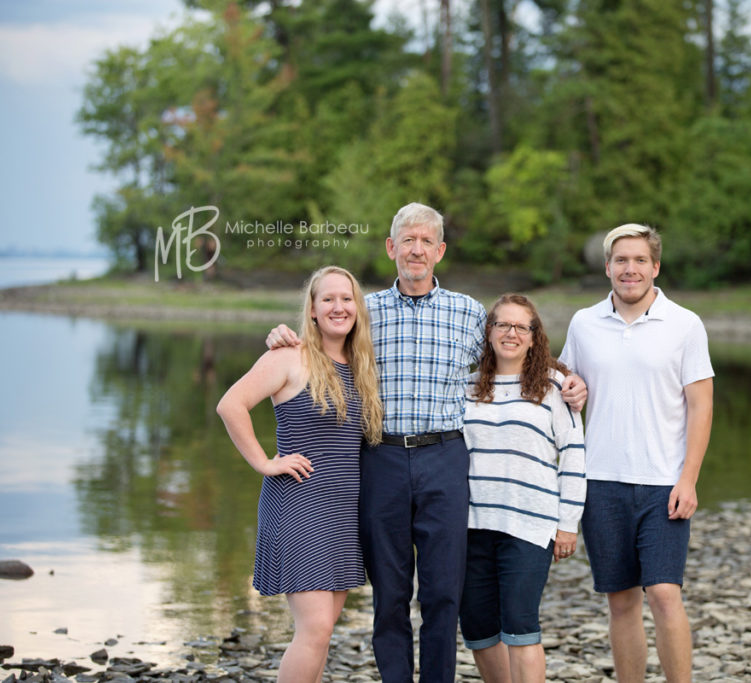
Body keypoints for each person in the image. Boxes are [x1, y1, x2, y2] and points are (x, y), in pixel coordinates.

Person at [266, 203, 587, 682]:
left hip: (444, 459)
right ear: (392, 248)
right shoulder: (363, 311)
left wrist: (566, 376)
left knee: (442, 593)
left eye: (426, 242)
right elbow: (319, 343)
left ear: (439, 251)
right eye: (407, 241)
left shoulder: (468, 313)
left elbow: (514, 349)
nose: (417, 250)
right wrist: (280, 337)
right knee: (389, 593)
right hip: (381, 459)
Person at [559, 224, 713, 683]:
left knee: (664, 593)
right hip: (600, 482)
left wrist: (689, 479)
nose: (630, 269)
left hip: (664, 483)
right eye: (621, 260)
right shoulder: (584, 324)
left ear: (655, 267)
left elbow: (701, 405)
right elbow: (565, 382)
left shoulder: (685, 324)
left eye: (640, 260)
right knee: (621, 600)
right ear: (607, 267)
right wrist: (573, 387)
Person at [217, 266, 385, 683]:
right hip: (298, 506)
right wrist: (264, 462)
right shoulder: (290, 357)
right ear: (311, 309)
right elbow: (231, 405)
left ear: (358, 308)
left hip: (342, 514)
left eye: (346, 299)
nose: (338, 307)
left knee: (322, 633)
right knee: (315, 630)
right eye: (327, 299)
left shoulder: (362, 365)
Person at [459, 294, 586, 683]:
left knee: (520, 625)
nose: (510, 333)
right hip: (470, 526)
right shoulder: (465, 385)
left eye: (521, 327)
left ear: (534, 337)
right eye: (502, 325)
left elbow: (575, 457)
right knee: (479, 630)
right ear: (489, 332)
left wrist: (568, 524)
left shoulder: (554, 387)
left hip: (529, 526)